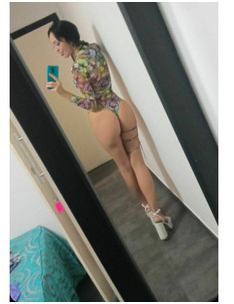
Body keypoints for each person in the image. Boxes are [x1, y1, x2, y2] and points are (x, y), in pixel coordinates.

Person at [46, 20, 172, 241]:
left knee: (125, 167)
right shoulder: (94, 49)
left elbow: (92, 103)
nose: (56, 49)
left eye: (57, 43)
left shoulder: (77, 68)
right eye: (53, 46)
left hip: (103, 116)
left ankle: (148, 210)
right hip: (120, 107)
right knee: (138, 161)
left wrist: (62, 92)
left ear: (67, 38)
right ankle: (157, 213)